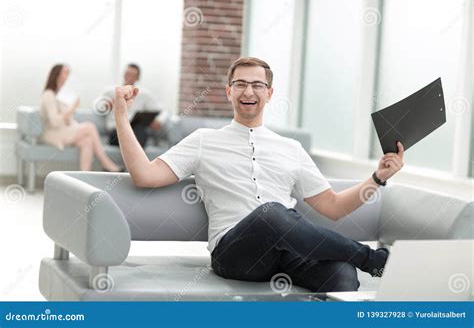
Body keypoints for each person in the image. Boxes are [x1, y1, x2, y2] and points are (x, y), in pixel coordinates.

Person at [111, 57, 405, 292]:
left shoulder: (290, 148)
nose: (248, 91)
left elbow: (334, 207)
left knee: (342, 273)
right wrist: (122, 116)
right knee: (271, 214)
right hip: (236, 254)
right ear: (229, 92)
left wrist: (377, 178)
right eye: (240, 84)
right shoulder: (203, 140)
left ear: (269, 93)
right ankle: (375, 261)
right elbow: (144, 175)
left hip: (289, 254)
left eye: (257, 85)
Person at [40, 64, 123, 172]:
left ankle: (84, 177)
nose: (68, 76)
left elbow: (68, 121)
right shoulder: (49, 95)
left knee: (87, 141)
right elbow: (55, 122)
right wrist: (72, 108)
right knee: (89, 127)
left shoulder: (62, 96)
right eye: (65, 72)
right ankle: (106, 163)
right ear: (57, 75)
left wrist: (72, 111)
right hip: (53, 133)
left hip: (63, 131)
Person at [99, 63, 163, 147]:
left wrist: (159, 120)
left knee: (139, 126)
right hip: (116, 131)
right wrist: (107, 105)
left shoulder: (144, 95)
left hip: (135, 129)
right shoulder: (110, 91)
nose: (128, 77)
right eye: (127, 73)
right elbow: (97, 108)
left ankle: (136, 158)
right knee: (132, 132)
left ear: (137, 78)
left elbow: (162, 111)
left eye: (132, 75)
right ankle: (137, 158)